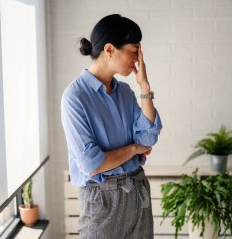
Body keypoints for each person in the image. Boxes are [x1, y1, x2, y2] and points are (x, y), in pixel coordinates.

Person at [61, 14, 162, 239]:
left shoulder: (125, 92)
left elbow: (149, 137)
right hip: (102, 200)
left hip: (137, 191)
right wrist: (134, 149)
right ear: (109, 50)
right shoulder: (74, 97)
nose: (137, 59)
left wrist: (144, 86)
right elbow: (92, 164)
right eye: (134, 51)